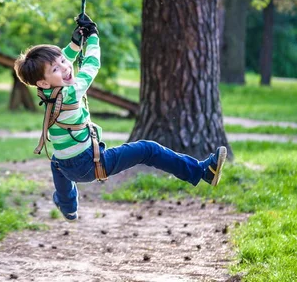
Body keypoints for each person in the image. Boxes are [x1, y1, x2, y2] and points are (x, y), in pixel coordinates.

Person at [13, 14, 227, 222]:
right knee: (148, 150)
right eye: (56, 69)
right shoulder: (71, 92)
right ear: (43, 81)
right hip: (89, 164)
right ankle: (201, 172)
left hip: (66, 164)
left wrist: (76, 43)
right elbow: (91, 65)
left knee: (57, 164)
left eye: (62, 61)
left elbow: (62, 62)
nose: (66, 68)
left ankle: (68, 206)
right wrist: (93, 37)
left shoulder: (46, 92)